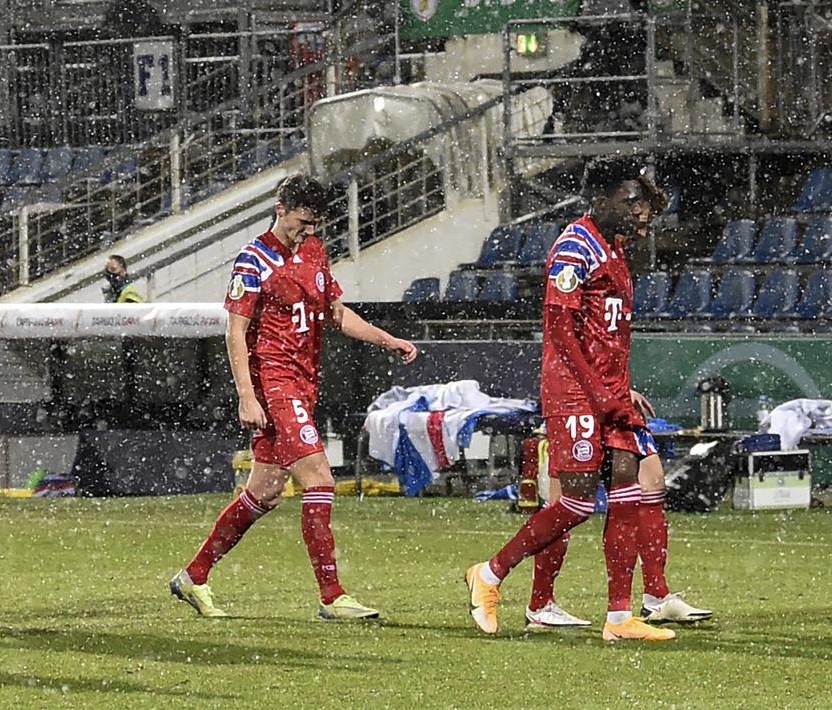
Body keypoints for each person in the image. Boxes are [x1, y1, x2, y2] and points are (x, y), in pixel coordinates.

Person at [170, 174, 417, 620]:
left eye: (315, 223)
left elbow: (336, 315)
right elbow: (235, 333)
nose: (308, 230)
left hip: (303, 383)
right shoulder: (253, 261)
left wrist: (386, 339)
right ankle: (332, 597)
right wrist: (248, 395)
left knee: (264, 491)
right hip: (275, 385)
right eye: (302, 220)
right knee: (320, 479)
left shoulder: (315, 251)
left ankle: (194, 576)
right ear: (280, 207)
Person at [465, 158, 677, 642]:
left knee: (628, 493)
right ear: (599, 203)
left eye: (640, 204)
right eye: (627, 203)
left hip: (610, 392)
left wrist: (620, 388)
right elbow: (561, 332)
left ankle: (620, 617)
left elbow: (607, 333)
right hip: (575, 393)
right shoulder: (574, 247)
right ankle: (491, 573)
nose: (636, 213)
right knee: (578, 504)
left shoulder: (615, 248)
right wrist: (600, 393)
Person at [527, 450, 713, 628]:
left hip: (621, 420)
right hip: (581, 420)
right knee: (562, 503)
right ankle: (539, 603)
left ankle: (656, 597)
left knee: (652, 483)